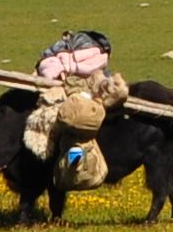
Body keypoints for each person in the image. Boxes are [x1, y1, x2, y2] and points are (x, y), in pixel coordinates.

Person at [25, 30, 125, 184]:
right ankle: (77, 157)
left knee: (65, 123)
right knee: (81, 124)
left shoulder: (57, 53)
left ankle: (70, 156)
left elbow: (45, 67)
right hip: (83, 102)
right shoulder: (97, 60)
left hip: (66, 94)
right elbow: (104, 79)